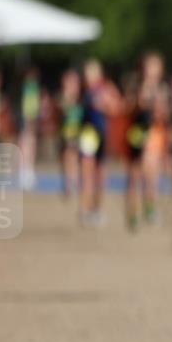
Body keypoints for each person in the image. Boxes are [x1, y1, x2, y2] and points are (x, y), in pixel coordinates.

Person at [125, 52, 170, 230]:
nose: (150, 70)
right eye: (148, 66)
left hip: (154, 135)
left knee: (151, 172)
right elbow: (127, 108)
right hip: (137, 133)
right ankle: (132, 213)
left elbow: (164, 114)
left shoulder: (162, 89)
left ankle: (150, 206)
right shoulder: (135, 87)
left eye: (155, 66)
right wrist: (139, 101)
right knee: (134, 175)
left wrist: (158, 108)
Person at [78, 59, 121, 227]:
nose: (88, 76)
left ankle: (97, 209)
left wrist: (104, 105)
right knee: (86, 171)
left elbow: (117, 108)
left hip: (102, 134)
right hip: (87, 134)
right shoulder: (84, 90)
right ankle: (84, 208)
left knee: (100, 174)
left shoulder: (107, 88)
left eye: (92, 72)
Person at [58, 69, 84, 198]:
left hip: (78, 132)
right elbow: (63, 109)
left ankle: (73, 182)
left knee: (74, 157)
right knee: (66, 157)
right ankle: (68, 183)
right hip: (66, 132)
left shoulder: (82, 97)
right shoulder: (63, 97)